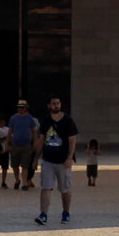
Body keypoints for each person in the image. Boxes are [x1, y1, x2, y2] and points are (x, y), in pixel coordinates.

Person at [34, 96, 78, 226]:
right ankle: (43, 214)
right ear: (49, 105)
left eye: (57, 103)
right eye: (53, 103)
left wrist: (70, 158)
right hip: (48, 160)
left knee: (65, 188)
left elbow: (72, 140)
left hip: (63, 161)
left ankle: (66, 212)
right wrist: (36, 158)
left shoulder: (68, 120)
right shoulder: (46, 121)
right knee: (46, 187)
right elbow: (42, 140)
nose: (56, 105)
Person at [6, 99, 39, 190]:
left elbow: (34, 131)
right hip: (15, 145)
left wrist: (35, 142)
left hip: (26, 145)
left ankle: (24, 182)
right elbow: (10, 131)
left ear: (26, 108)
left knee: (25, 165)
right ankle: (17, 179)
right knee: (14, 165)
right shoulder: (13, 118)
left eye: (22, 107)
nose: (20, 109)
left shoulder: (30, 118)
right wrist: (7, 143)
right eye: (19, 107)